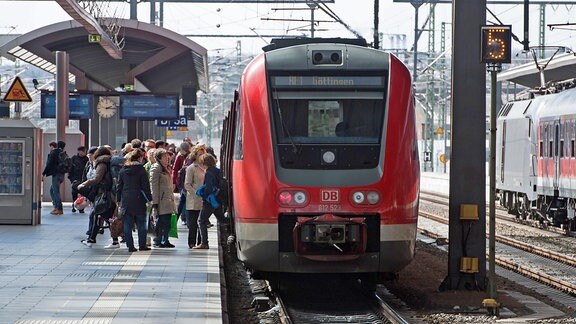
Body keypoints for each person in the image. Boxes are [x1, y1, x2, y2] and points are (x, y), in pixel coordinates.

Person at [116, 149, 153, 252]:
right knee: (141, 222)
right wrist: (149, 199)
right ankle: (142, 245)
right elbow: (146, 187)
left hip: (126, 199)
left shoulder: (123, 170)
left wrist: (118, 200)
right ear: (139, 158)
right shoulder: (141, 170)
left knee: (127, 223)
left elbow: (119, 186)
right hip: (139, 199)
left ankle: (130, 246)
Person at [79, 146, 116, 248]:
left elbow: (97, 178)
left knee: (97, 214)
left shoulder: (102, 163)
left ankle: (92, 239)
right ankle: (112, 240)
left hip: (103, 193)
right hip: (111, 193)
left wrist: (84, 184)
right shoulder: (110, 162)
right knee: (106, 216)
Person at [194, 153, 226, 249]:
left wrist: (203, 193)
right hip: (218, 200)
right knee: (222, 219)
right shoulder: (218, 171)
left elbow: (209, 188)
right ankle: (231, 235)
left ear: (204, 163)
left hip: (209, 201)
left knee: (201, 220)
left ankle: (204, 243)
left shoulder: (209, 173)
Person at [150, 148, 176, 248]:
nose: (167, 158)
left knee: (167, 222)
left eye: (168, 156)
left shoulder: (166, 168)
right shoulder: (156, 168)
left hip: (168, 199)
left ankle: (166, 240)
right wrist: (155, 202)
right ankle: (157, 240)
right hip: (161, 200)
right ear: (159, 158)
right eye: (165, 156)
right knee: (160, 221)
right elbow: (154, 186)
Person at [184, 144, 207, 248]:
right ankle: (192, 242)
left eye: (203, 154)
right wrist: (196, 193)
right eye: (200, 154)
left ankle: (200, 242)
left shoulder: (205, 168)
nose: (202, 156)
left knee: (202, 222)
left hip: (204, 199)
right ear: (195, 156)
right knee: (193, 223)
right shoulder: (191, 168)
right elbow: (187, 184)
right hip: (193, 200)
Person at [42, 140, 66, 215]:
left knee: (55, 192)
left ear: (52, 146)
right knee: (52, 191)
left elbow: (49, 164)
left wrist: (43, 173)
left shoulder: (53, 153)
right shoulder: (63, 153)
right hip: (62, 175)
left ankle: (59, 208)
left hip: (56, 175)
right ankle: (56, 207)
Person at [172, 142, 191, 224]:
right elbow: (175, 169)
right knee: (183, 202)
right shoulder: (182, 156)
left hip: (183, 183)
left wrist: (174, 181)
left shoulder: (182, 156)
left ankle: (180, 219)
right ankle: (186, 219)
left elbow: (175, 170)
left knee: (182, 202)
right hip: (184, 183)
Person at [69, 146, 88, 213]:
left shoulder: (86, 159)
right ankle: (74, 206)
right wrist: (71, 179)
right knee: (74, 193)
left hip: (83, 179)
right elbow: (70, 169)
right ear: (79, 151)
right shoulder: (74, 159)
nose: (83, 153)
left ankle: (81, 207)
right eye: (82, 151)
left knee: (82, 193)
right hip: (75, 178)